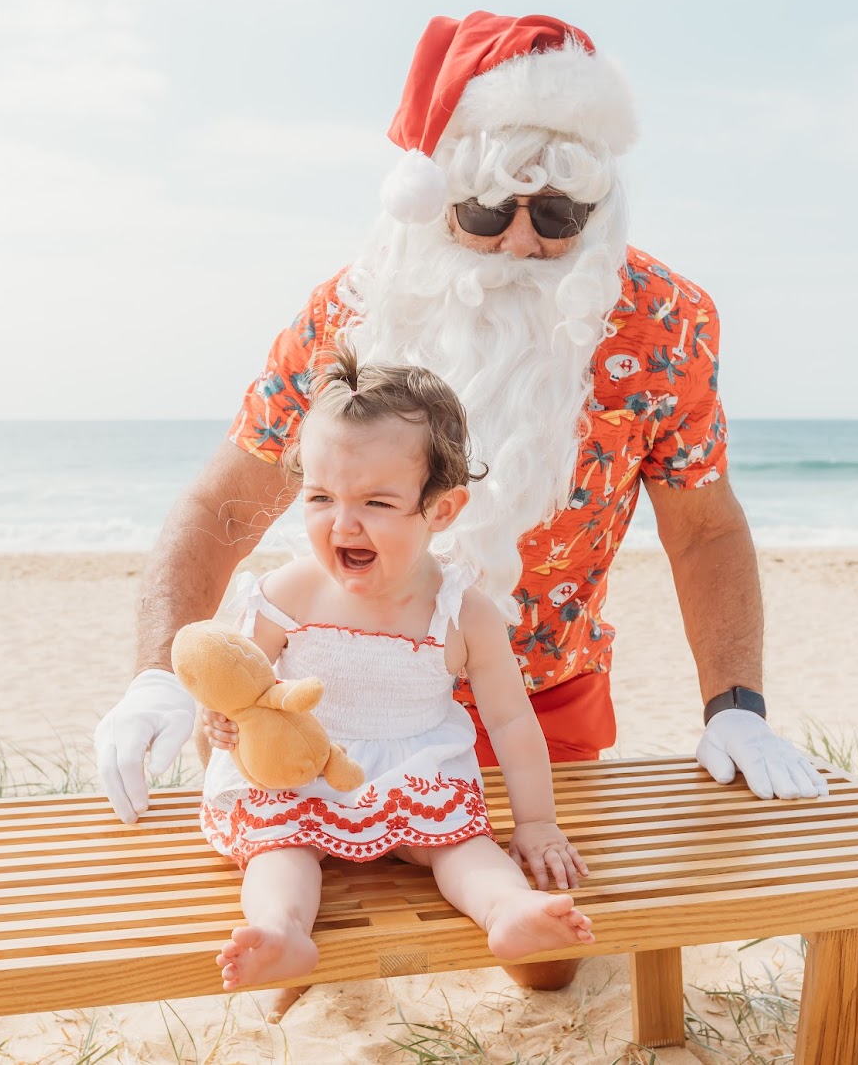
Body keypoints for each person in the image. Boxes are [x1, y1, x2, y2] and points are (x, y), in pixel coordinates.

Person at [96, 9, 827, 997]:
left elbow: (701, 525)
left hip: (544, 690)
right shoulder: (345, 316)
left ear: (595, 210)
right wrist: (158, 678)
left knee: (547, 969)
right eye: (486, 211)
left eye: (557, 214)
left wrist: (734, 706)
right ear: (434, 195)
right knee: (303, 911)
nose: (523, 243)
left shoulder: (664, 322)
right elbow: (225, 507)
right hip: (328, 704)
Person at [201, 348, 593, 994]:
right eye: (320, 497)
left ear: (441, 510)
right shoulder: (286, 593)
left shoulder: (461, 612)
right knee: (280, 849)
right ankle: (282, 930)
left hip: (415, 772)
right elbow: (242, 686)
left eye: (378, 502)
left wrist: (536, 824)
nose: (342, 523)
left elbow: (511, 721)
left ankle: (508, 910)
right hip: (302, 770)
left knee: (464, 848)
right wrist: (221, 723)